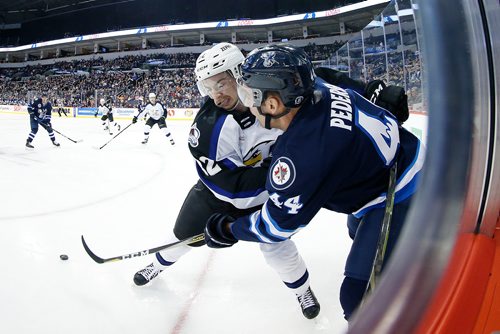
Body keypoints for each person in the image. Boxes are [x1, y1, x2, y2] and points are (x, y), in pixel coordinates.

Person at [202, 44, 424, 321]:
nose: (246, 102)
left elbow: (275, 226)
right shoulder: (313, 85)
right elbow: (332, 80)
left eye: (249, 95)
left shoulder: (301, 156)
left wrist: (229, 229)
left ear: (272, 104)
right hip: (399, 161)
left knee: (357, 298)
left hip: (401, 192)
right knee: (357, 227)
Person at [133, 42, 321, 319]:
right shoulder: (209, 128)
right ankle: (157, 266)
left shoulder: (275, 94)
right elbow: (233, 190)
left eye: (221, 85)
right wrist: (286, 170)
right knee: (181, 237)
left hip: (267, 191)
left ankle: (301, 290)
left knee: (278, 247)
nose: (215, 96)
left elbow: (317, 84)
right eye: (207, 88)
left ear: (240, 75)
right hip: (217, 195)